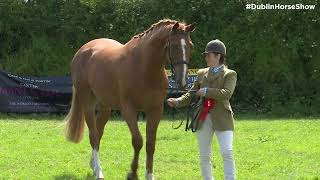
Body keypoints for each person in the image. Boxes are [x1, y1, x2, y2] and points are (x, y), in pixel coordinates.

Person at [167, 39, 237, 180]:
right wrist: (178, 101)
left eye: (208, 55)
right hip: (203, 117)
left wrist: (206, 91)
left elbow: (226, 93)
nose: (206, 57)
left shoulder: (230, 74)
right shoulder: (201, 73)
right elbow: (191, 93)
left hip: (223, 117)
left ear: (218, 56)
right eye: (206, 55)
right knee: (205, 155)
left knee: (227, 151)